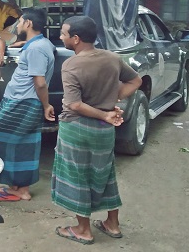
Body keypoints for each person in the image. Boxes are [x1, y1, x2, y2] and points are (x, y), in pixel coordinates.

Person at [52, 16, 142, 245]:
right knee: (106, 173)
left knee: (78, 176)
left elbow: (74, 104)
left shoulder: (71, 65)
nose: (60, 37)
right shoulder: (112, 58)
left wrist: (104, 112)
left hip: (77, 128)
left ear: (76, 38)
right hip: (104, 130)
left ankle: (82, 230)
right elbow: (136, 81)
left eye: (63, 34)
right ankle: (112, 224)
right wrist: (113, 102)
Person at [0, 7, 56, 202]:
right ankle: (18, 187)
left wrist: (46, 105)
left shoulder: (37, 48)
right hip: (21, 100)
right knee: (22, 143)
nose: (17, 25)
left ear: (28, 23)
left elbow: (39, 82)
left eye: (20, 22)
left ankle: (21, 188)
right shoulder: (38, 44)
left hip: (23, 102)